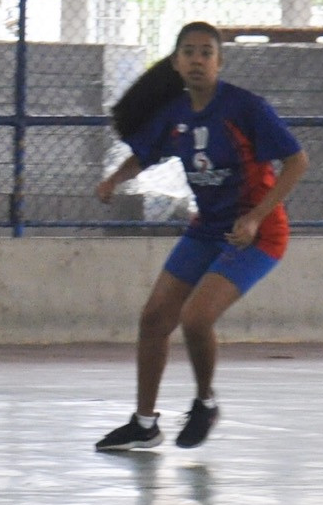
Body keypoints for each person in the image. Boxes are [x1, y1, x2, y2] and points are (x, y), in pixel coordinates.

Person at [92, 22, 310, 451]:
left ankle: (205, 403)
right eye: (188, 51)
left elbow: (297, 161)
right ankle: (144, 422)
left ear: (219, 62)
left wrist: (255, 217)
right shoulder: (175, 113)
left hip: (257, 234)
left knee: (196, 317)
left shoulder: (245, 108)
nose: (197, 59)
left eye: (206, 52)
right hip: (208, 228)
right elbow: (146, 152)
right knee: (155, 318)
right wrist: (115, 178)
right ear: (175, 62)